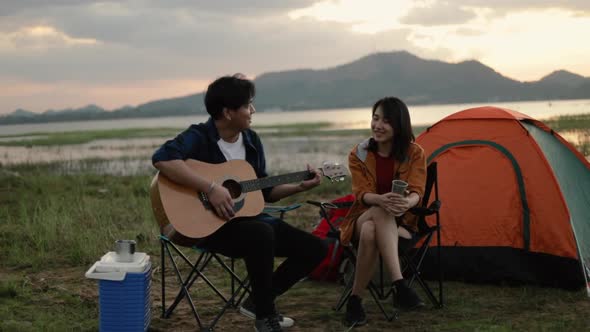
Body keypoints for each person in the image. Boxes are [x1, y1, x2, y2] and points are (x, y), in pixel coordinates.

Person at [152, 74, 328, 332]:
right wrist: (210, 187)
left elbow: (264, 192)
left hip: (248, 225)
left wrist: (299, 186)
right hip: (205, 227)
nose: (252, 110)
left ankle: (258, 301)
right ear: (227, 112)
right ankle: (265, 317)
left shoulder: (252, 141)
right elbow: (162, 159)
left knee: (316, 248)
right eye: (247, 105)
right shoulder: (199, 136)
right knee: (261, 231)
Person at [339, 97, 427, 326]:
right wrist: (380, 199)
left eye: (385, 121)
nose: (377, 125)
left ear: (399, 125)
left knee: (371, 231)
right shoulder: (359, 153)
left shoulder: (414, 153)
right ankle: (399, 284)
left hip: (404, 224)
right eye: (375, 118)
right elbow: (361, 194)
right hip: (363, 215)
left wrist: (407, 204)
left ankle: (355, 301)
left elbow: (417, 191)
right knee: (377, 213)